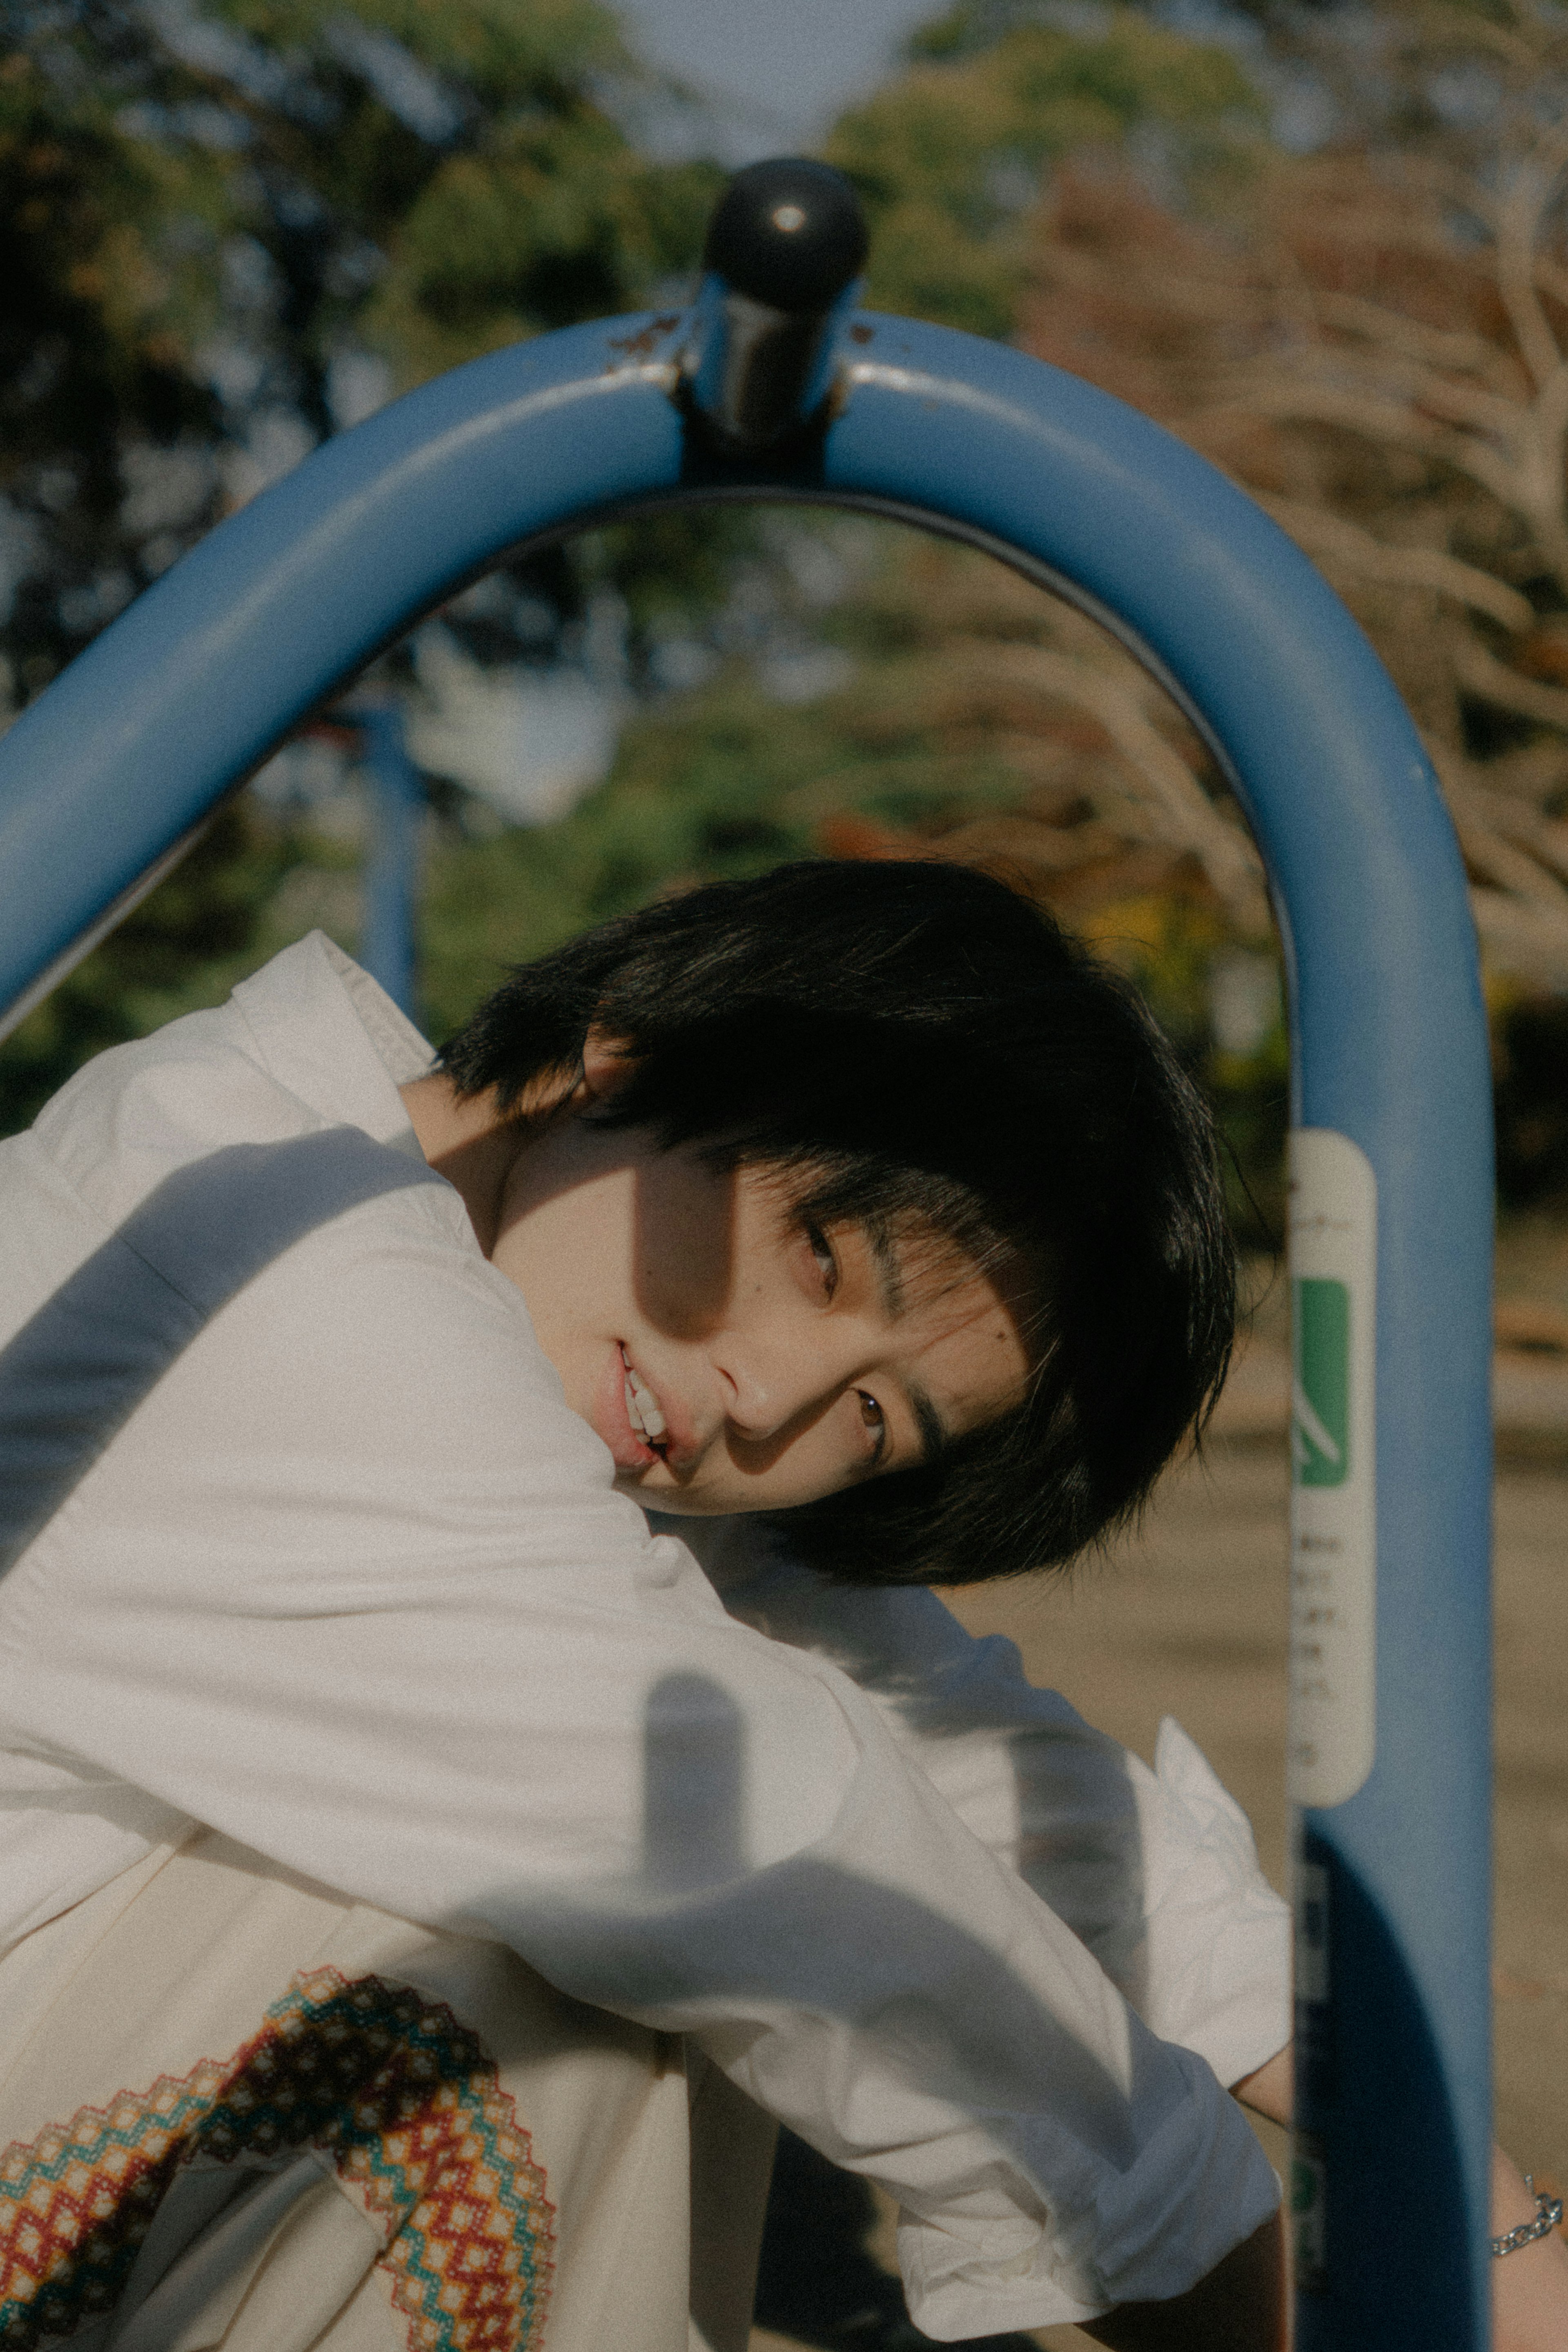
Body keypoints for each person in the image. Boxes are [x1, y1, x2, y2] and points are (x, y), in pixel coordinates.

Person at [0, 859, 1353, 2347]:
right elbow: (769, 1827)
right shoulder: (268, 1245)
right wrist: (1239, 2288)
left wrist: (1443, 2166)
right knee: (551, 1936)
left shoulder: (491, 1267)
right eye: (819, 1256)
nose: (767, 1400)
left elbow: (925, 1722)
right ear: (630, 1049)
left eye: (876, 1422)